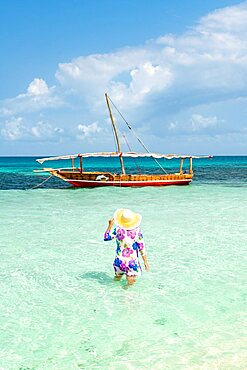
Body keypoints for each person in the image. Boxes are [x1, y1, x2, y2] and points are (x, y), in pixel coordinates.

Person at [104, 208, 149, 286]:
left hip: (119, 261)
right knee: (130, 284)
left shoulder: (117, 230)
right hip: (131, 263)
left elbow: (106, 237)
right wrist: (145, 262)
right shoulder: (137, 231)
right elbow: (141, 247)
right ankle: (126, 295)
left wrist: (110, 225)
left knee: (116, 280)